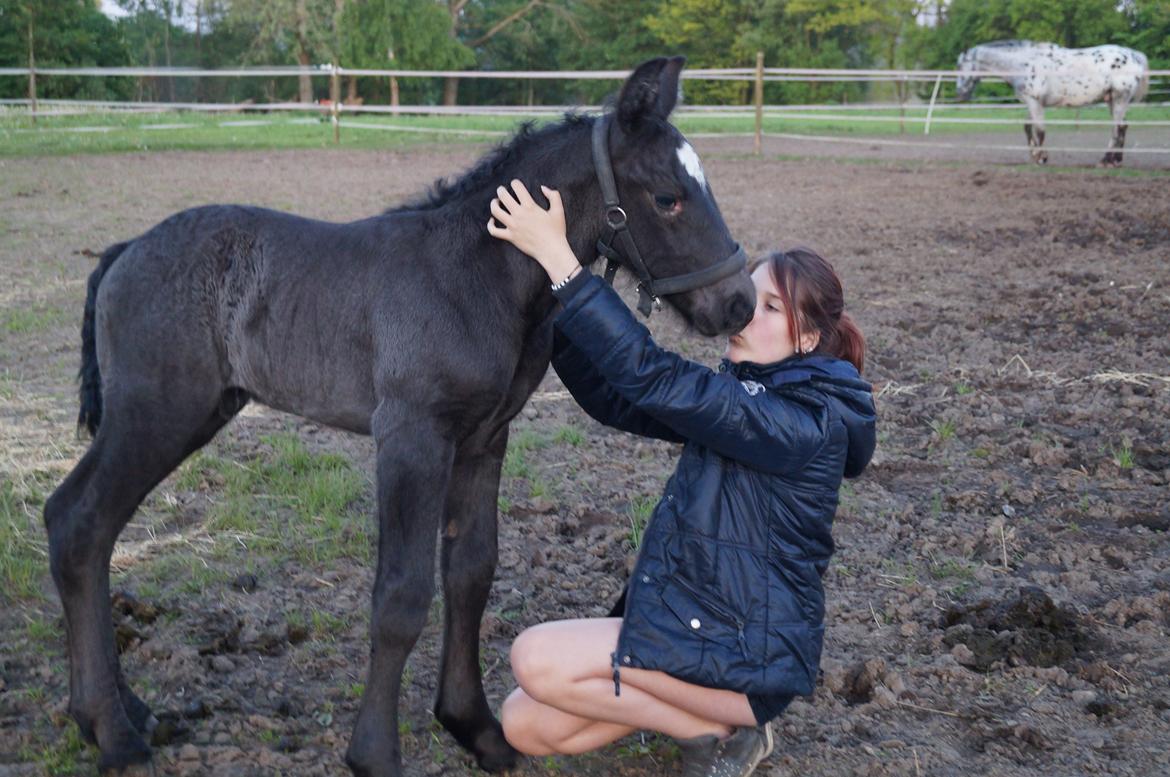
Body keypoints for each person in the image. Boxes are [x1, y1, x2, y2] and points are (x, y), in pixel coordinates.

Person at [486, 179, 876, 777]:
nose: (746, 313)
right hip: (696, 624)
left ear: (808, 338)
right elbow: (621, 398)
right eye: (750, 297)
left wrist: (564, 264)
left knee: (534, 658)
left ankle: (707, 726)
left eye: (771, 308)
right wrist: (556, 303)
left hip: (748, 653)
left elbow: (656, 378)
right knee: (523, 722)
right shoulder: (749, 398)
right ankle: (708, 725)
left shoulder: (804, 424)